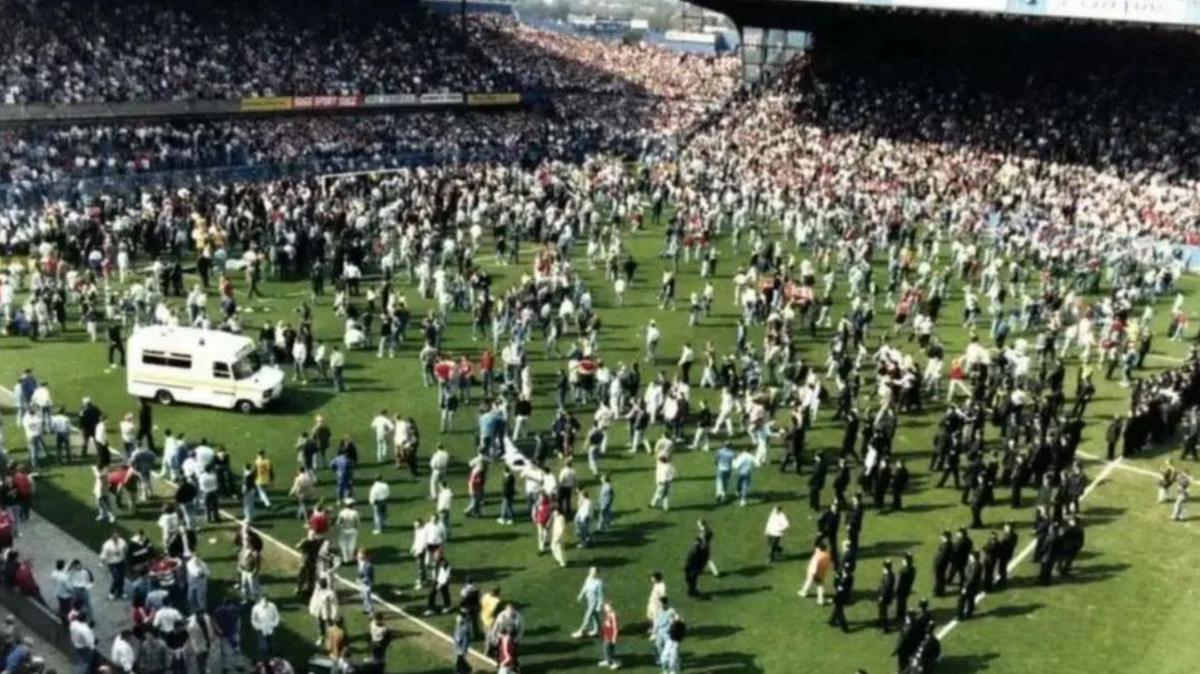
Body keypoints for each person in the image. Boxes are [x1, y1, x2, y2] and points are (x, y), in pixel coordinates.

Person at [572, 566, 605, 639]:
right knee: (594, 616)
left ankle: (581, 631)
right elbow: (585, 587)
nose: (591, 573)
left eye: (593, 572)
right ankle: (599, 630)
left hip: (594, 602)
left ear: (597, 573)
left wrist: (599, 606)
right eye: (591, 571)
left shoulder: (599, 583)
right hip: (589, 600)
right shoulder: (588, 579)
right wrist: (580, 595)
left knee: (587, 616)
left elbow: (600, 595)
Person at [250, 594, 279, 663]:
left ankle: (271, 659)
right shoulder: (256, 608)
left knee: (271, 645)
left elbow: (276, 616)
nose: (265, 602)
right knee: (262, 646)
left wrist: (274, 624)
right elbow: (253, 619)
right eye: (263, 600)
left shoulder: (272, 606)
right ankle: (262, 660)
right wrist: (258, 627)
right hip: (261, 629)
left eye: (266, 600)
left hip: (270, 628)